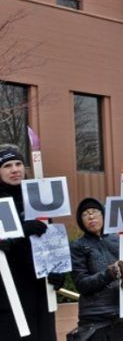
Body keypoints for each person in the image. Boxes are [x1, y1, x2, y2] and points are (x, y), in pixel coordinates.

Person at [0, 144, 64, 341]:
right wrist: (20, 232)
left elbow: (53, 242)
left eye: (18, 163)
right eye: (7, 165)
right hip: (8, 293)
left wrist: (58, 270)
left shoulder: (40, 199)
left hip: (40, 290)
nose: (15, 169)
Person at [70, 197, 123, 340]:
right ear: (80, 221)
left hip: (122, 316)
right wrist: (109, 273)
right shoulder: (78, 246)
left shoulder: (121, 241)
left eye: (95, 212)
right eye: (85, 214)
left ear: (103, 215)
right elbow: (81, 284)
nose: (90, 216)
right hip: (94, 319)